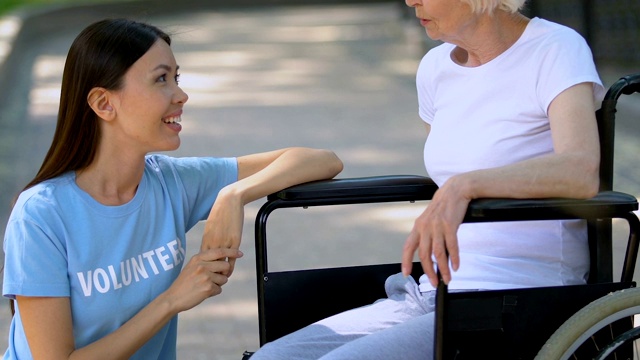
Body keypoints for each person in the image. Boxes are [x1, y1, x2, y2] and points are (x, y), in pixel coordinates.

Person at [250, 0, 604, 359]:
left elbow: (580, 171)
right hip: (434, 293)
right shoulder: (435, 68)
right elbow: (446, 174)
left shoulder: (555, 47)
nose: (410, 1)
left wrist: (467, 184)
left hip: (521, 297)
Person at [1, 18, 343, 359]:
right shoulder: (41, 215)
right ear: (104, 103)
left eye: (175, 78)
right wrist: (172, 300)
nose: (181, 95)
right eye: (161, 79)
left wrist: (234, 195)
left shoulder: (171, 182)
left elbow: (321, 160)